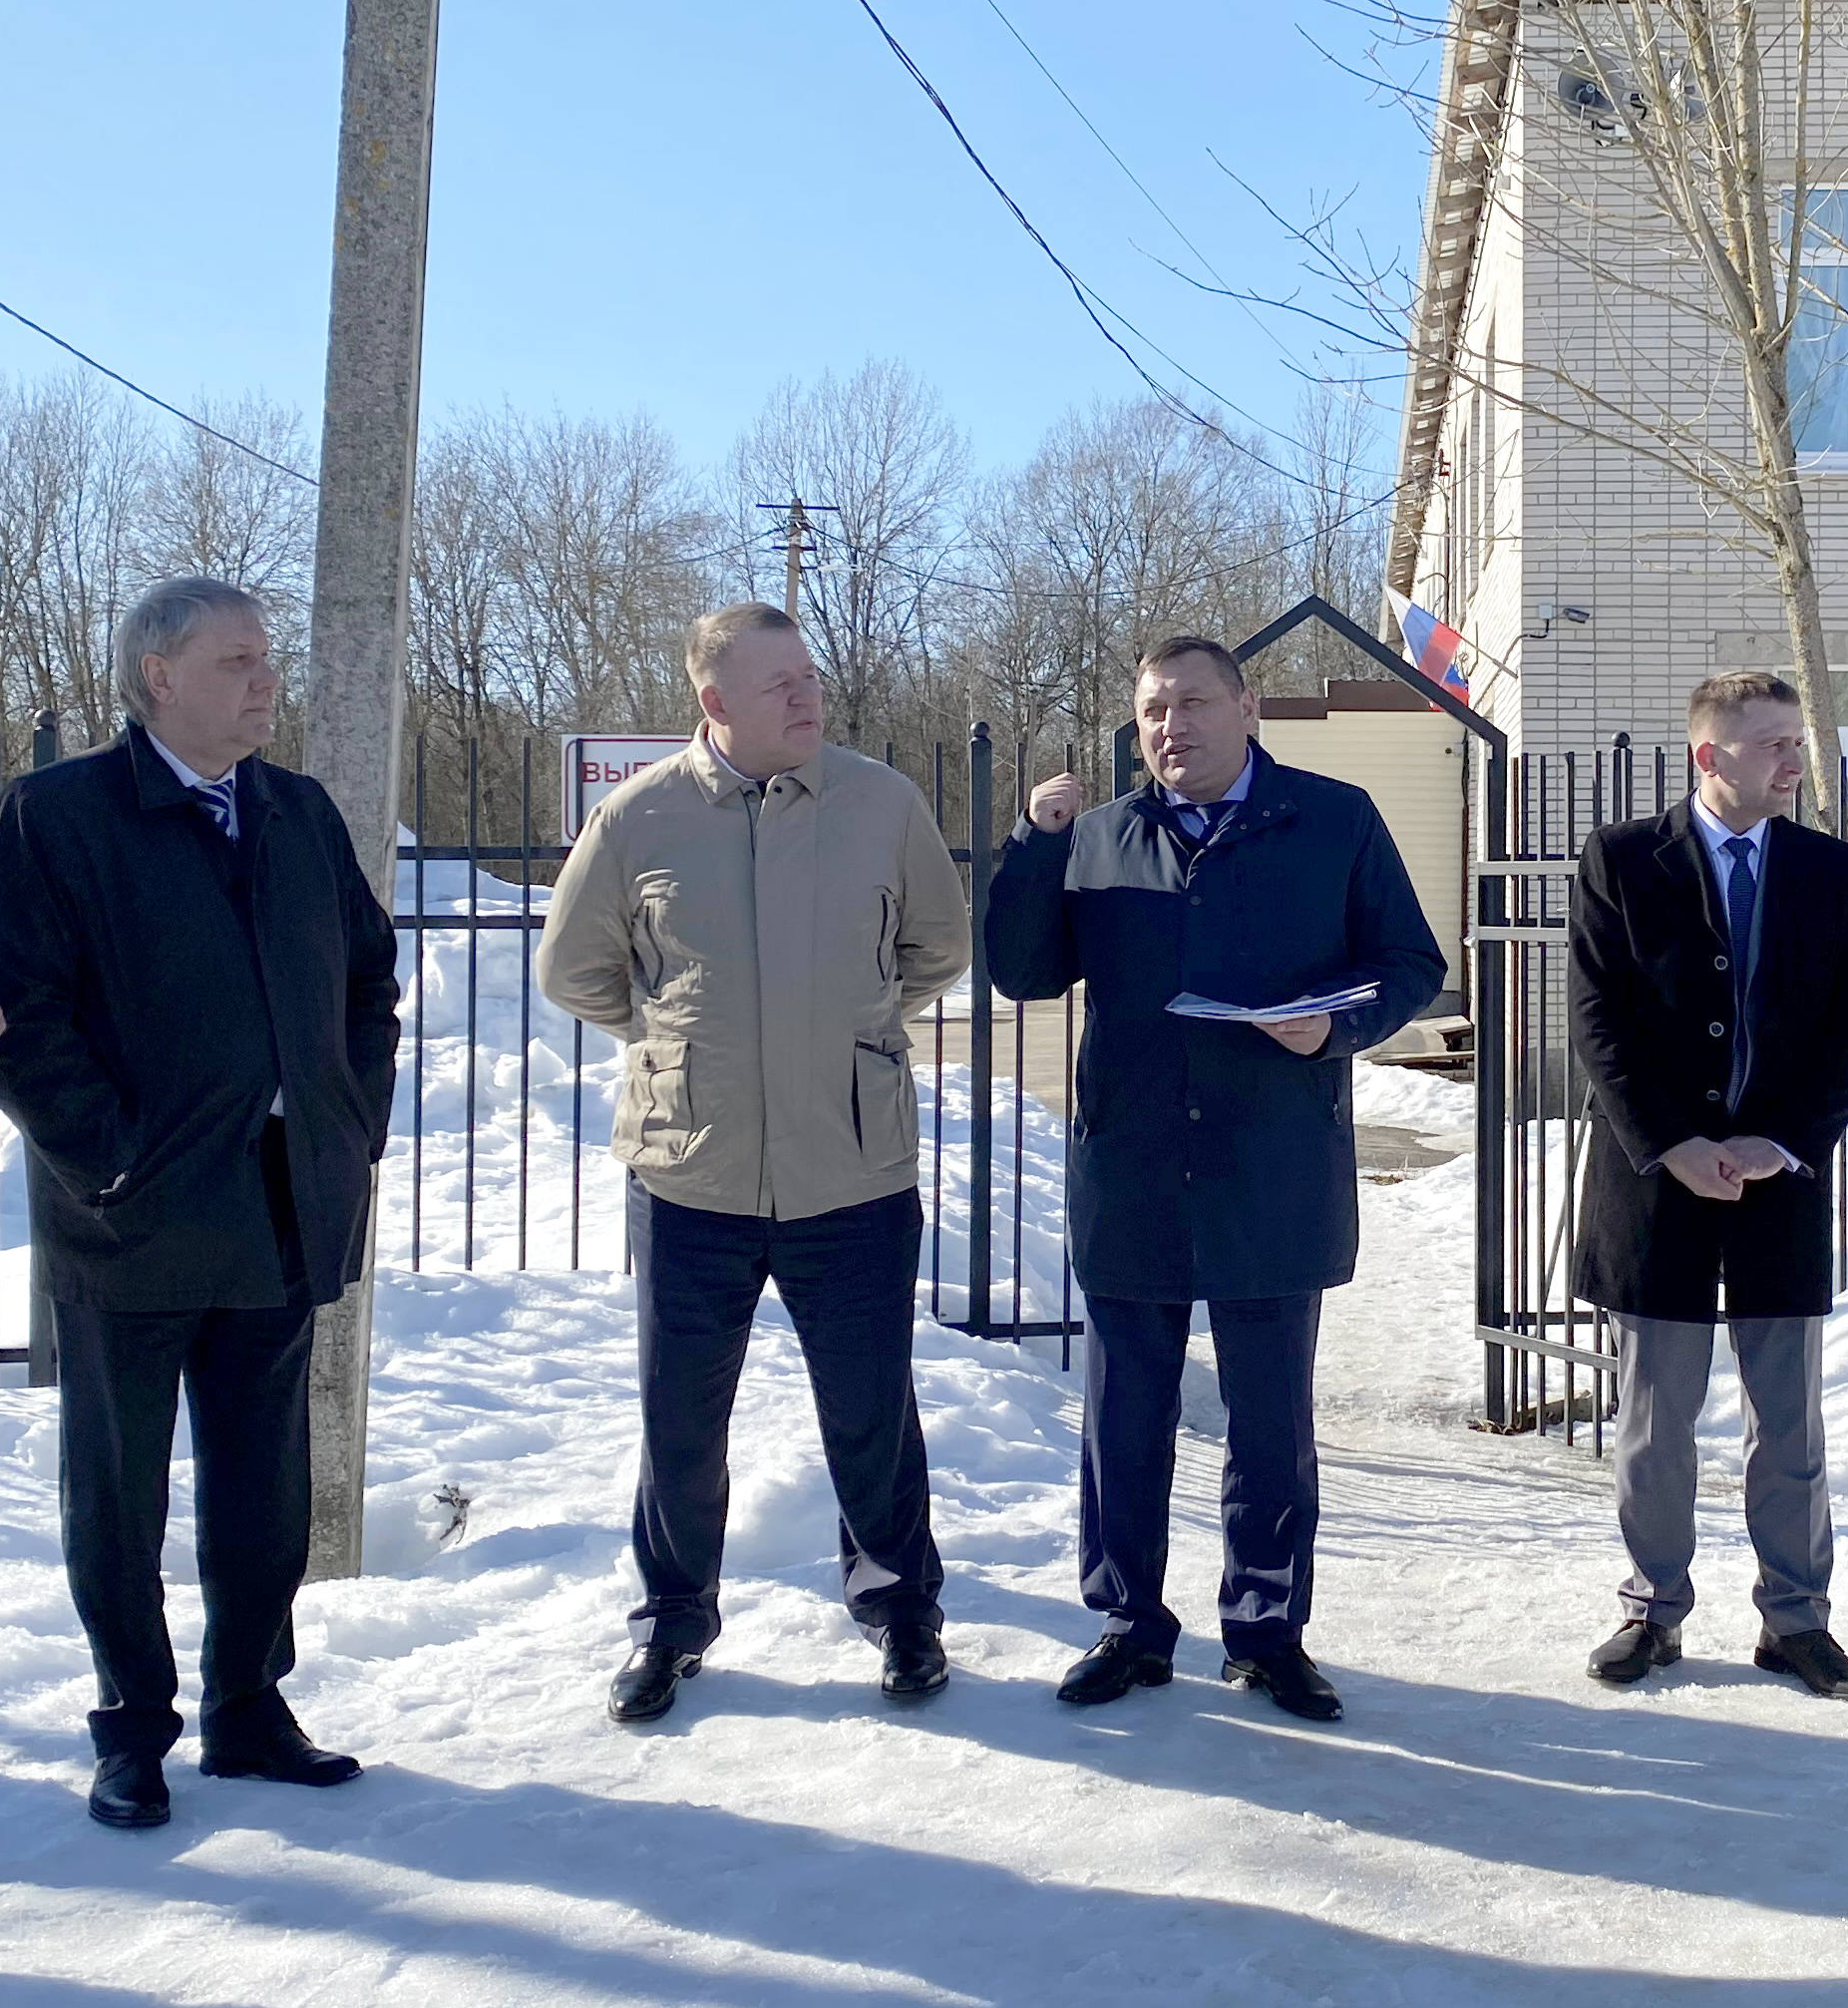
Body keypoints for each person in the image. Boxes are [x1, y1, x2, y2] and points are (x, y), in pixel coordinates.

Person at [0, 579, 401, 1832]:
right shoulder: (59, 815)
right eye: (238, 662)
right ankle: (130, 1730)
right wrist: (112, 1152)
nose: (267, 681)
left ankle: (250, 1709)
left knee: (264, 1492)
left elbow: (370, 979)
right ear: (158, 676)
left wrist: (346, 1124)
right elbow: (6, 1011)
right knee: (119, 1494)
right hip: (130, 1222)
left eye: (269, 660)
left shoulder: (299, 815)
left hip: (278, 1209)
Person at [988, 634, 1447, 1723]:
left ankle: (1268, 1631)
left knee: (1270, 1421)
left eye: (1194, 701)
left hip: (1271, 1163)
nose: (1170, 725)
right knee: (1125, 1416)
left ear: (1248, 707)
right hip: (1135, 1166)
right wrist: (1031, 845)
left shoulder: (1331, 820)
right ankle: (1128, 1625)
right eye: (1152, 708)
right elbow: (1022, 970)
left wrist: (1337, 1027)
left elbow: (1411, 964)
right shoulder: (1100, 837)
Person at [540, 603, 970, 1716]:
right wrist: (675, 1041)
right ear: (713, 700)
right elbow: (576, 970)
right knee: (682, 1417)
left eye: (810, 675)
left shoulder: (882, 803)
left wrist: (856, 1028)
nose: (805, 696)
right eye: (776, 682)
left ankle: (902, 1613)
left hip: (853, 1167)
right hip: (690, 1173)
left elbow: (937, 945)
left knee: (871, 1408)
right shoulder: (639, 818)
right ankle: (672, 1623)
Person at [1566, 670, 1848, 1701]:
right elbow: (1597, 1017)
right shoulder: (1621, 860)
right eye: (1774, 745)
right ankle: (1651, 1611)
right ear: (1711, 756)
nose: (1796, 763)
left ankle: (1796, 1622)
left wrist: (1780, 1144)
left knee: (1788, 1425)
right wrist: (1673, 1143)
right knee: (1658, 1422)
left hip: (1779, 1183)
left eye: (1798, 743)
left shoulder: (1830, 870)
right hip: (1657, 1183)